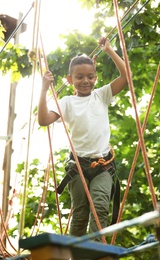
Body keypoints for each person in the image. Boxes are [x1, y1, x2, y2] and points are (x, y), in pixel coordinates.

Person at [38, 37, 128, 241]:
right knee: (79, 215)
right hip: (78, 167)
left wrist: (109, 50)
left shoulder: (102, 95)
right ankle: (76, 255)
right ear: (70, 80)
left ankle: (94, 255)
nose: (85, 81)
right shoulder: (67, 102)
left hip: (103, 166)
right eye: (79, 77)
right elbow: (43, 120)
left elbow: (126, 76)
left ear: (96, 78)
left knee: (100, 210)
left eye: (90, 76)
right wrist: (43, 90)